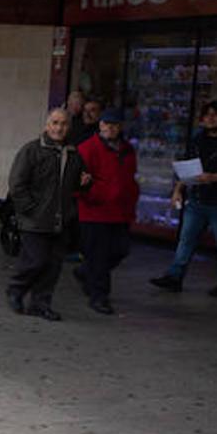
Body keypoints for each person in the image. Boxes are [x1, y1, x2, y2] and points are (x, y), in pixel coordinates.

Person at [151, 100, 217, 296]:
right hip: (198, 198)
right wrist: (178, 189)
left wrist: (215, 177)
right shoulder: (198, 140)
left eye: (215, 114)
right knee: (186, 239)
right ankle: (174, 277)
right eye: (207, 114)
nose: (210, 118)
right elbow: (188, 167)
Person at [6, 108, 85, 321]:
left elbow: (76, 185)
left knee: (53, 266)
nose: (59, 128)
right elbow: (17, 184)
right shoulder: (31, 151)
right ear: (46, 125)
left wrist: (85, 183)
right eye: (55, 123)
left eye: (64, 124)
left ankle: (40, 304)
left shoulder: (73, 154)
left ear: (69, 127)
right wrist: (30, 209)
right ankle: (16, 289)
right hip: (35, 220)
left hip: (61, 220)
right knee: (36, 260)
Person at [74, 109, 138, 314]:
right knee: (99, 256)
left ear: (120, 127)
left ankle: (86, 271)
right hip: (95, 211)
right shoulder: (87, 148)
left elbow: (129, 177)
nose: (110, 128)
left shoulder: (127, 149)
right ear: (100, 125)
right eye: (106, 124)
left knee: (120, 250)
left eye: (114, 124)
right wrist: (96, 196)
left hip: (120, 211)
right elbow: (79, 182)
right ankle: (99, 296)